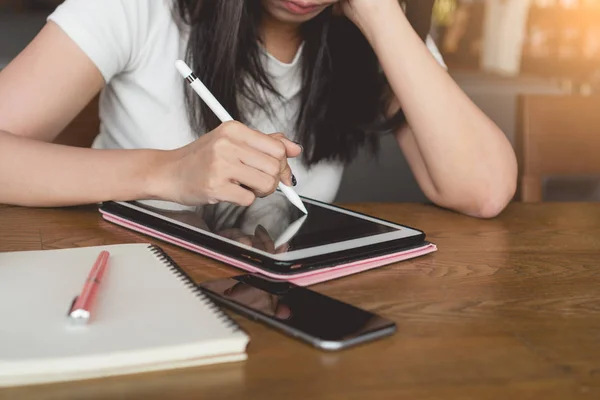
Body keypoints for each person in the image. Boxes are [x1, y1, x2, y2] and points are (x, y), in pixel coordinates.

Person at [0, 0, 517, 218]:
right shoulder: (138, 8)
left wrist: (381, 17)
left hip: (283, 306)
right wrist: (166, 172)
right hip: (130, 279)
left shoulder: (370, 31)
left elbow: (485, 190)